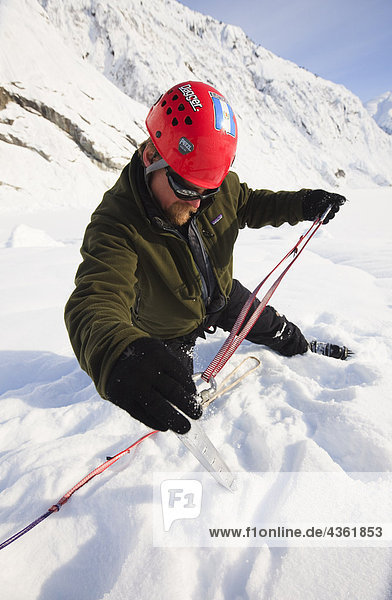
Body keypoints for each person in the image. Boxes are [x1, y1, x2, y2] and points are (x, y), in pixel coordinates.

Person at [65, 80, 346, 435]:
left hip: (225, 297)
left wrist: (304, 203)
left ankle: (303, 348)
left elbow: (249, 202)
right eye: (186, 187)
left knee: (274, 327)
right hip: (168, 330)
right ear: (151, 156)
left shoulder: (209, 182)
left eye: (208, 190)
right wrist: (117, 352)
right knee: (174, 396)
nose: (198, 202)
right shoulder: (116, 223)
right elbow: (96, 297)